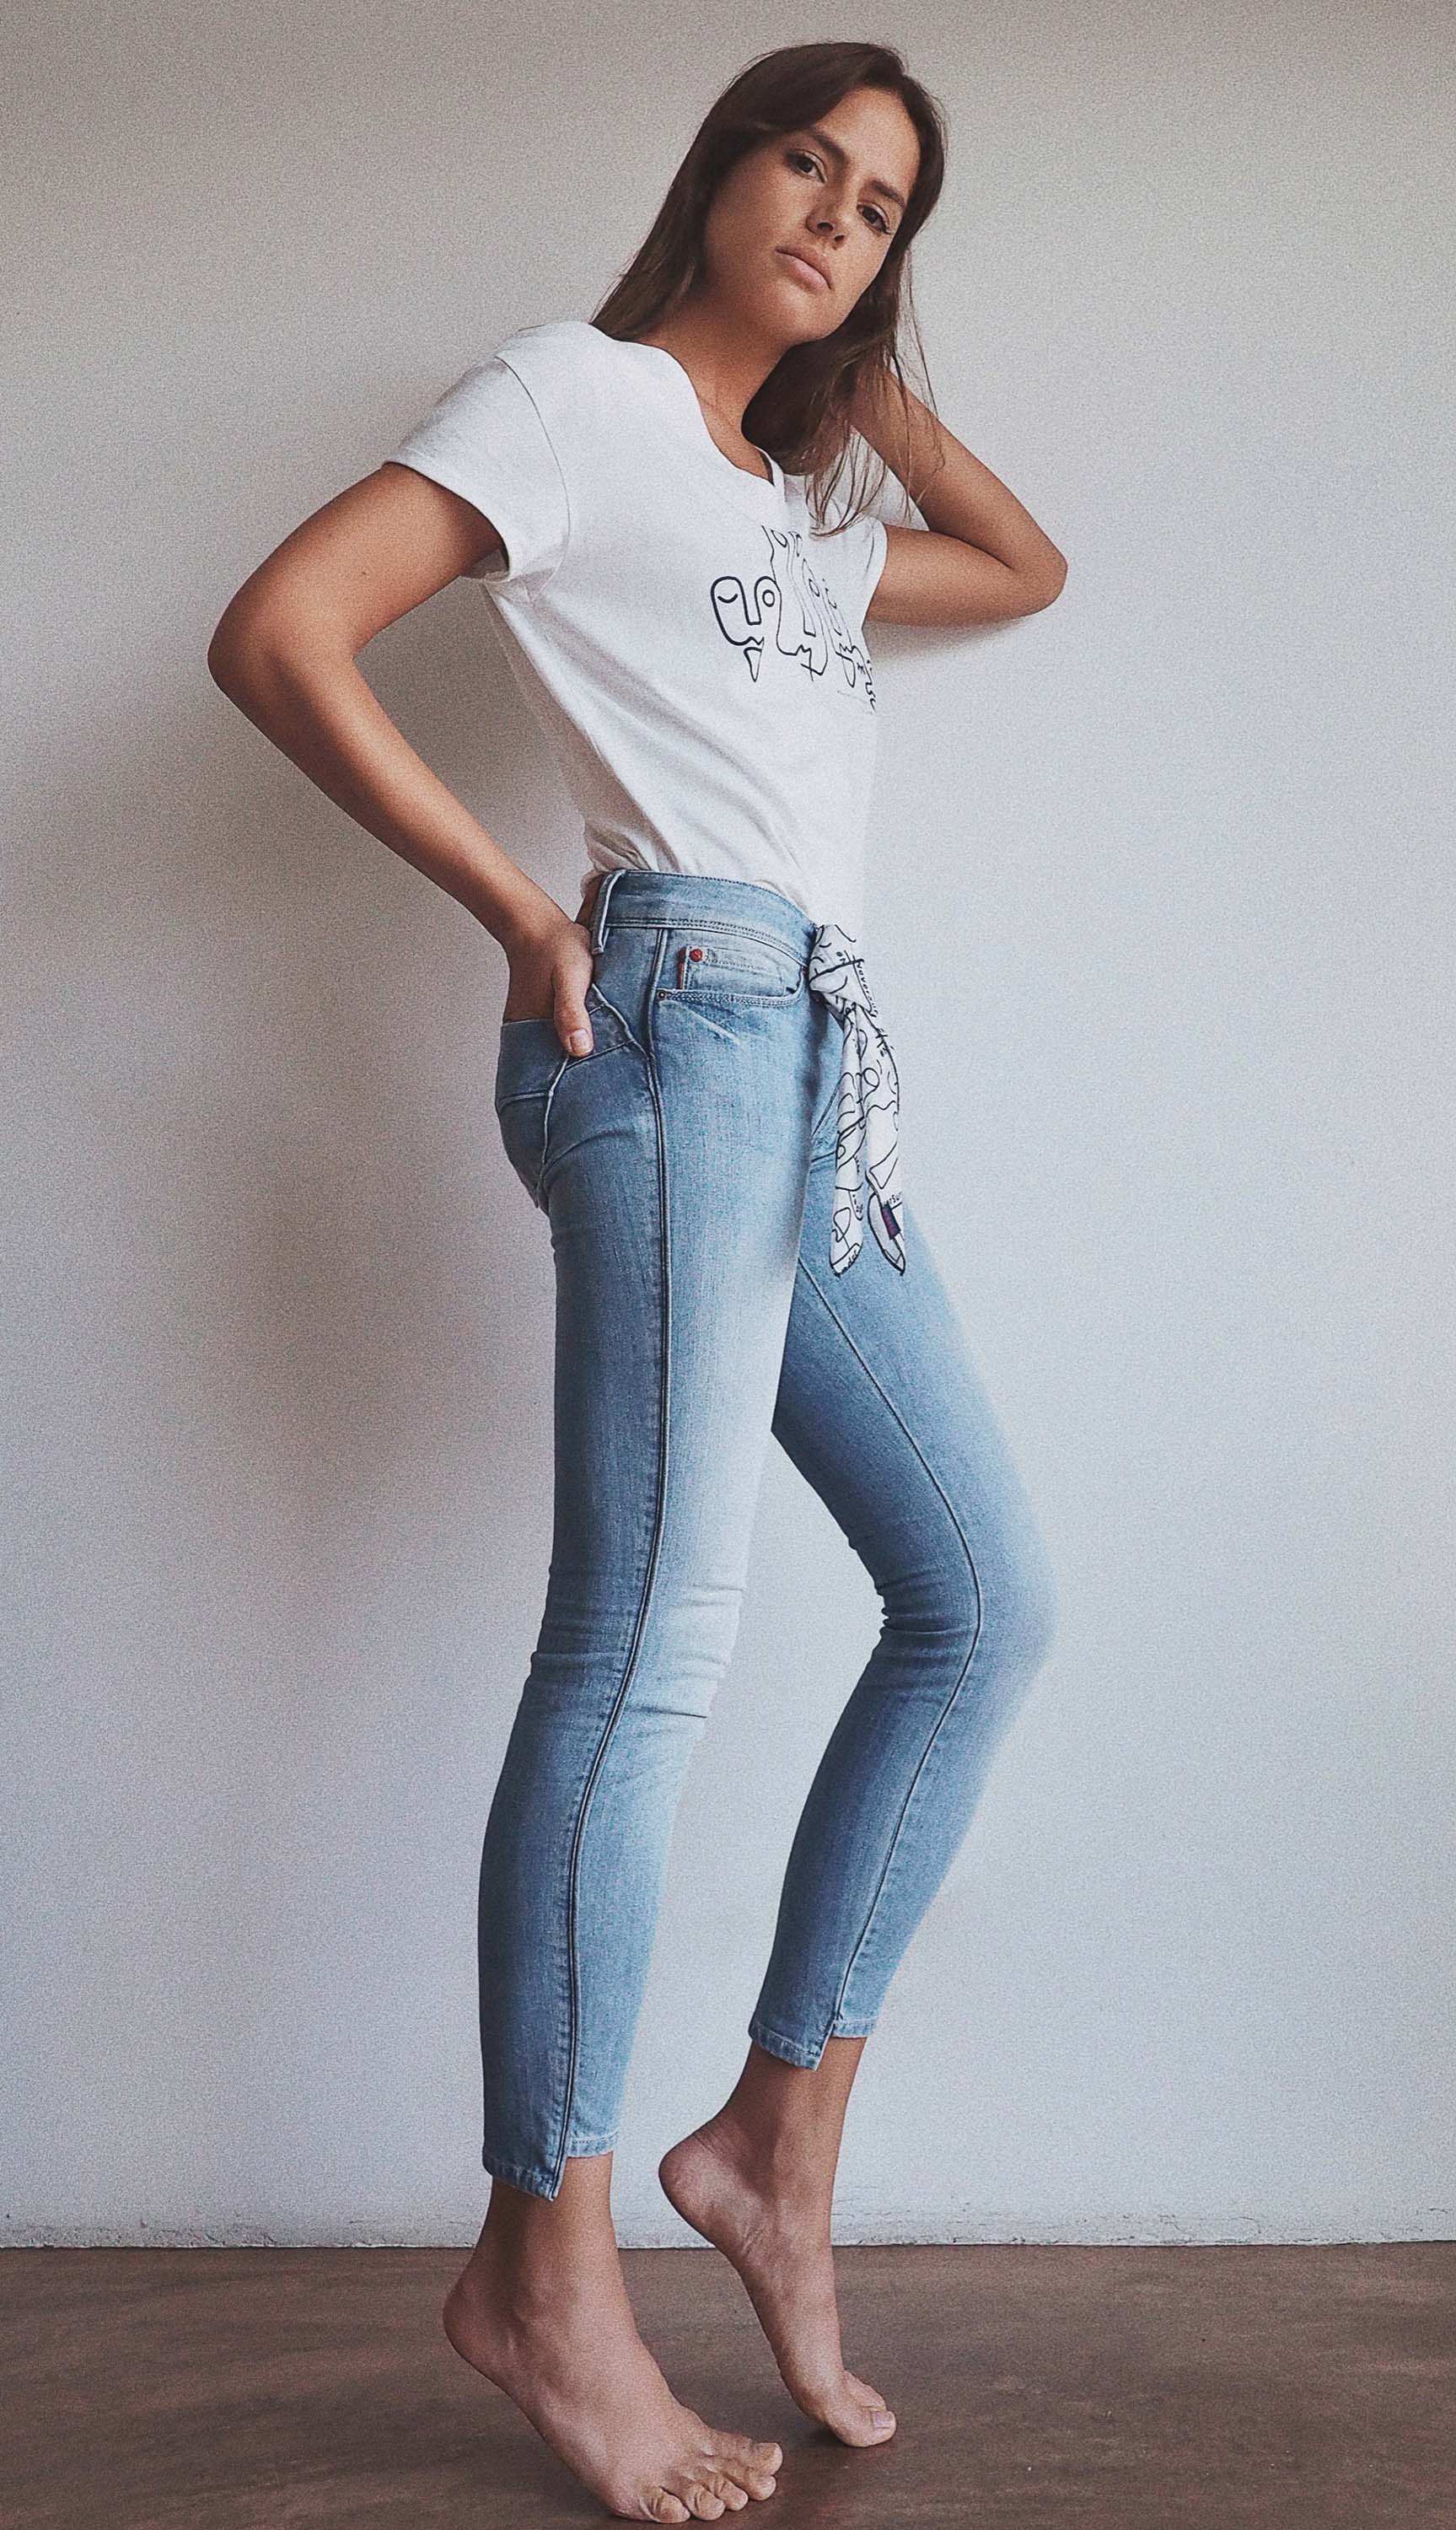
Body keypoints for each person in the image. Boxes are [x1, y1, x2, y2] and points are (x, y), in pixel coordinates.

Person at [207, 38, 1066, 2525]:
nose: (836, 213)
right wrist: (514, 905)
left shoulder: (796, 514)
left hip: (814, 1069)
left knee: (983, 1601)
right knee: (646, 1643)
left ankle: (775, 2142)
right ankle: (542, 2267)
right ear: (718, 166)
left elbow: (1025, 567)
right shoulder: (568, 403)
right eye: (809, 160)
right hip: (673, 1015)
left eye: (883, 205)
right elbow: (282, 630)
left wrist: (856, 370)